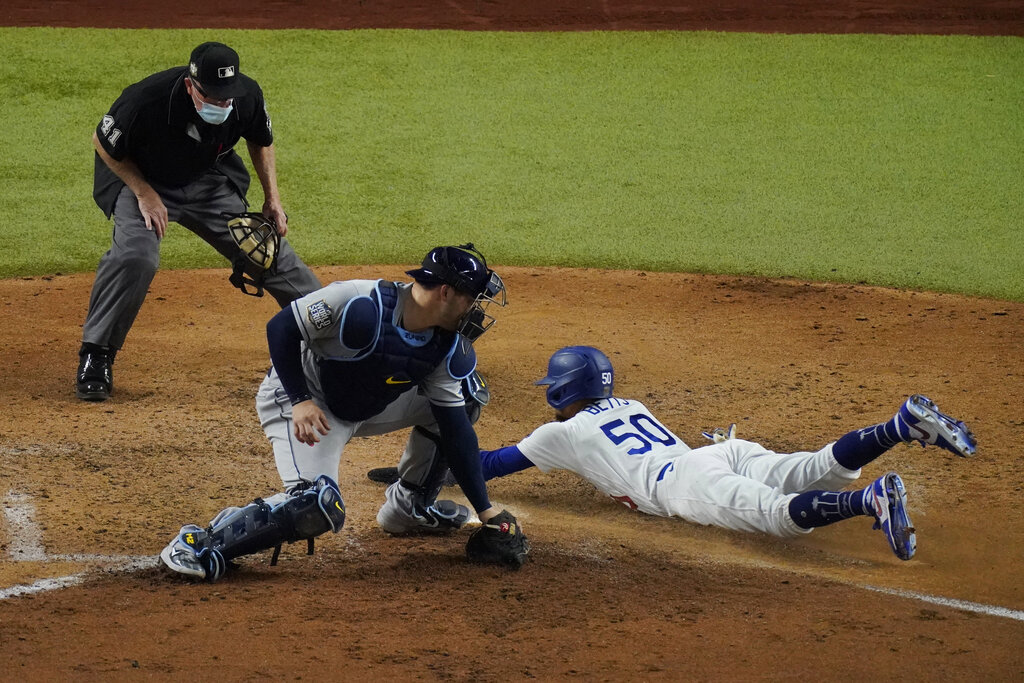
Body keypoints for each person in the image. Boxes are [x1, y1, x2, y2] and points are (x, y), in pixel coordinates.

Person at [385, 346, 977, 561]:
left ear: (564, 392)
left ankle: (868, 500)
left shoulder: (555, 435)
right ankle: (899, 425)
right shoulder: (633, 403)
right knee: (814, 465)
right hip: (721, 452)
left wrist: (421, 472)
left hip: (687, 481)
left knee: (777, 518)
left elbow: (484, 466)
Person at [159, 244, 528, 581]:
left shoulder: (446, 345)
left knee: (464, 400)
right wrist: (300, 399)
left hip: (371, 404)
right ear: (445, 291)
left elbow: (455, 429)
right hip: (308, 405)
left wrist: (485, 509)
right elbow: (282, 328)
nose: (475, 310)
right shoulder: (357, 302)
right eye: (472, 299)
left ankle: (409, 508)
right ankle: (200, 543)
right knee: (316, 505)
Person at [77, 41, 321, 401]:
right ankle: (96, 354)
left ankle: (330, 329)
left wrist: (273, 198)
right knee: (136, 256)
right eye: (214, 97)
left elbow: (261, 139)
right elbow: (102, 142)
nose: (223, 104)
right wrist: (144, 193)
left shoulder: (246, 95)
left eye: (228, 97)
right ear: (191, 86)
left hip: (208, 181)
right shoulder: (146, 100)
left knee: (264, 251)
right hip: (143, 181)